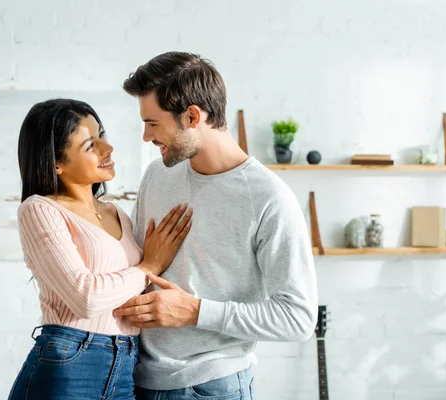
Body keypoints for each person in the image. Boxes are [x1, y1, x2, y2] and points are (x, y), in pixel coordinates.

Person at [114, 52, 318, 399]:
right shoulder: (158, 176)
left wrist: (195, 311)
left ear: (192, 116)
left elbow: (298, 318)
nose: (146, 137)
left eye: (153, 123)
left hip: (212, 387)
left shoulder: (269, 198)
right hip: (139, 380)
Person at [8, 98, 192, 400]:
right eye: (90, 145)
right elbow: (86, 298)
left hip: (126, 364)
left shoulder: (116, 213)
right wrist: (148, 267)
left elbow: (129, 295)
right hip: (69, 366)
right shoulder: (40, 209)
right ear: (56, 162)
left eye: (102, 135)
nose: (108, 149)